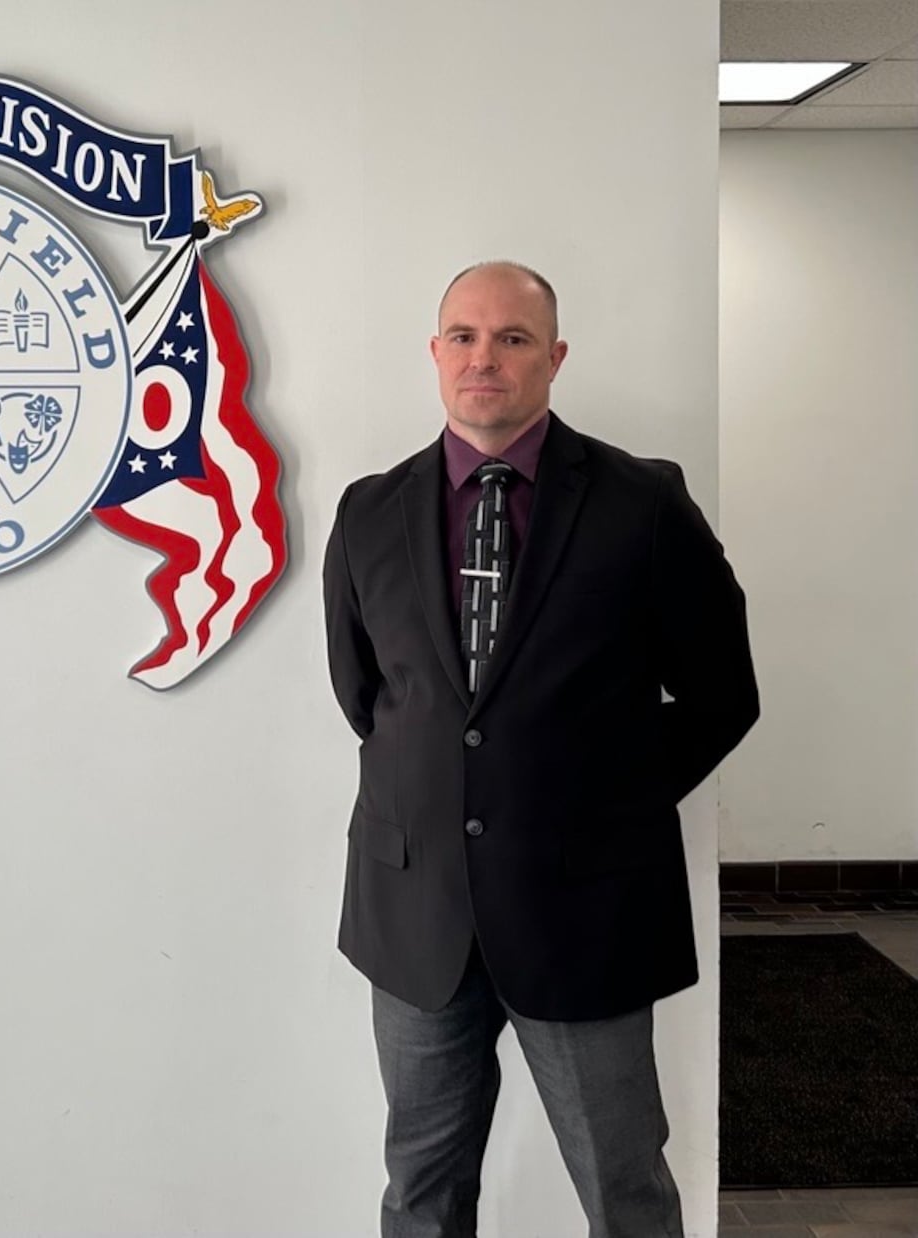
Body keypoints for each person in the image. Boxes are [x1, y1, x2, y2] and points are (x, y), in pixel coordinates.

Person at [322, 261, 759, 1237]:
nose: (486, 357)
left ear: (552, 357)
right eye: (465, 336)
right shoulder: (367, 513)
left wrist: (609, 800)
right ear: (435, 353)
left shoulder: (641, 505)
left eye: (513, 337)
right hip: (416, 907)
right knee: (420, 1192)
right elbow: (368, 697)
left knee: (625, 1191)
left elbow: (723, 692)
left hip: (587, 906)